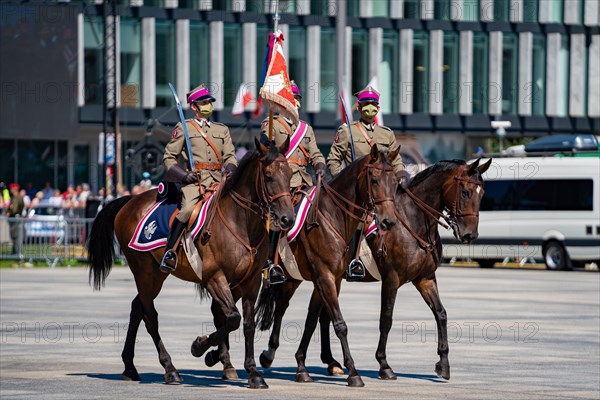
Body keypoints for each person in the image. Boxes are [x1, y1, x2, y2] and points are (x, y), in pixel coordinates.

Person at [326, 85, 404, 279]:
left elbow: (396, 161)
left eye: (373, 104)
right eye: (366, 104)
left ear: (378, 109)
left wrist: (401, 176)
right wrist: (343, 182)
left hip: (381, 190)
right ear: (359, 108)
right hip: (356, 192)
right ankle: (354, 261)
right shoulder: (347, 132)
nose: (370, 107)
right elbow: (333, 160)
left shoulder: (387, 134)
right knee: (358, 222)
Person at [160, 84, 238, 273]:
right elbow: (169, 157)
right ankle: (170, 252)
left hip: (219, 180)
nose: (208, 105)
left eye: (210, 102)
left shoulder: (222, 129)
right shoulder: (184, 127)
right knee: (186, 210)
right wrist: (183, 176)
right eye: (204, 102)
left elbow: (231, 156)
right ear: (194, 107)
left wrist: (229, 169)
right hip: (195, 182)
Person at [260, 80, 326, 284]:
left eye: (297, 100)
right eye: (292, 99)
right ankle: (270, 262)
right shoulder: (271, 124)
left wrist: (320, 166)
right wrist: (267, 139)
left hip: (303, 182)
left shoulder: (306, 129)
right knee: (277, 218)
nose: (295, 103)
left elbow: (315, 153)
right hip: (281, 183)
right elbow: (264, 151)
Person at [6, 184, 24, 255]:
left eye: (12, 188)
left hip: (16, 218)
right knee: (14, 236)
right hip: (14, 218)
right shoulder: (14, 197)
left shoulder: (17, 197)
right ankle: (14, 252)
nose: (11, 190)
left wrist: (9, 212)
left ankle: (16, 252)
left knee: (16, 236)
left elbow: (14, 209)